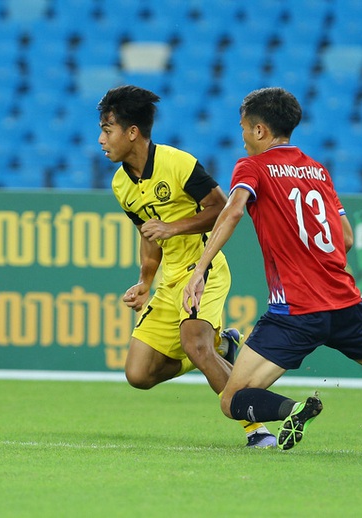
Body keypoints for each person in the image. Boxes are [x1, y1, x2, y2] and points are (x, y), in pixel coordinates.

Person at [182, 87, 362, 458]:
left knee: (233, 400)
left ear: (260, 131)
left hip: (294, 313)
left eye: (244, 128)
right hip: (345, 304)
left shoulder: (252, 167)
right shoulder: (317, 170)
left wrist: (200, 268)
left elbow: (233, 211)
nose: (242, 137)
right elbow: (348, 238)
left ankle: (292, 410)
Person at [97, 85, 275, 448]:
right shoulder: (120, 184)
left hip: (203, 266)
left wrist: (173, 227)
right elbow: (148, 232)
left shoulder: (178, 164)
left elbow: (221, 208)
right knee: (138, 374)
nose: (101, 139)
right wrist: (145, 280)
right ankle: (219, 347)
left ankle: (257, 430)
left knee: (194, 344)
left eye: (107, 129)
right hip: (170, 278)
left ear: (132, 132)